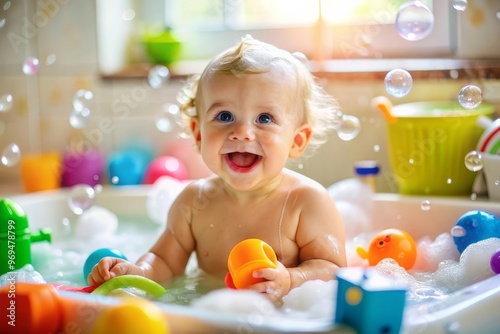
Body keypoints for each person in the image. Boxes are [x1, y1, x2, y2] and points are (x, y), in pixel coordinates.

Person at [88, 35, 347, 301]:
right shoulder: (192, 202)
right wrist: (136, 272)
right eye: (224, 116)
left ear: (296, 140)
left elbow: (334, 271)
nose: (242, 132)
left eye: (264, 118)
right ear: (198, 134)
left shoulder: (307, 203)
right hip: (211, 317)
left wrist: (292, 278)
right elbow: (164, 262)